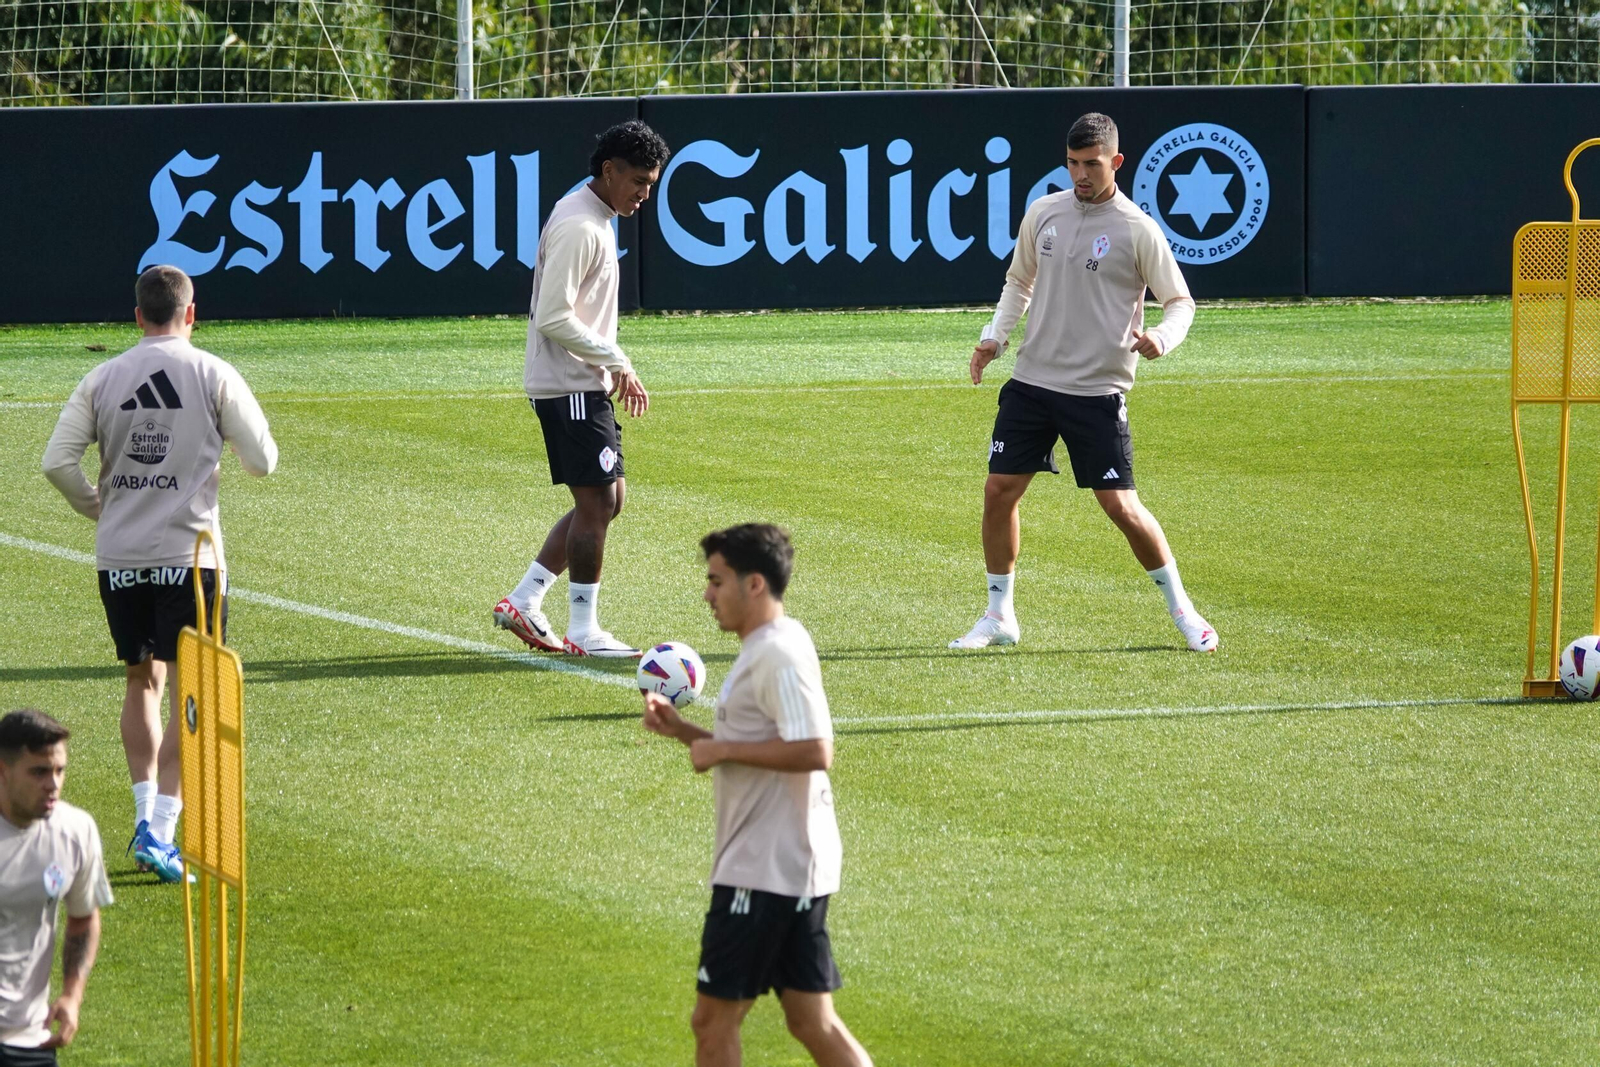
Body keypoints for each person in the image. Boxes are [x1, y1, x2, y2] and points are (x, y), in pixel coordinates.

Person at [41, 265, 278, 881]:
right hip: (190, 557)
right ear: (191, 312)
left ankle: (145, 810)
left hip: (119, 556)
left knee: (141, 680)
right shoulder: (213, 373)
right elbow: (263, 461)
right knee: (193, 691)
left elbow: (57, 462)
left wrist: (100, 504)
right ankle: (162, 828)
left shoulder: (103, 377)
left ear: (138, 314)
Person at [951, 112, 1218, 654]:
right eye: (1073, 164)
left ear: (1115, 162)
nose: (1081, 175)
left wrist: (1162, 338)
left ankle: (1185, 613)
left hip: (1097, 392)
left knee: (1120, 506)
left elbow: (1180, 302)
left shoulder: (1137, 229)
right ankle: (999, 615)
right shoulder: (1044, 213)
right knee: (999, 491)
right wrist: (993, 339)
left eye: (1091, 164)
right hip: (1031, 383)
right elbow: (1018, 283)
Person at [642, 524, 872, 1067]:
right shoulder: (767, 647)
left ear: (754, 585)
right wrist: (686, 733)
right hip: (785, 866)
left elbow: (816, 750)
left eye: (716, 580)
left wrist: (719, 752)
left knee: (712, 1021)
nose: (707, 594)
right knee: (811, 1020)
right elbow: (755, 745)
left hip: (762, 872)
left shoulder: (778, 654)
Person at [493, 120, 672, 659]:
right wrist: (617, 360)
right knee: (596, 501)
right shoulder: (581, 225)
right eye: (637, 181)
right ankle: (583, 629)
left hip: (579, 380)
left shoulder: (593, 212)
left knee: (609, 497)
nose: (643, 195)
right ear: (609, 170)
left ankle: (526, 599)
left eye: (651, 184)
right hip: (568, 382)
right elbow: (552, 316)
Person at [0, 709, 112, 1064]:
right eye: (39, 772)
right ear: (3, 771)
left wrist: (72, 995)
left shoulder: (74, 831)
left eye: (59, 771)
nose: (53, 784)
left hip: (30, 1038)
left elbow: (83, 917)